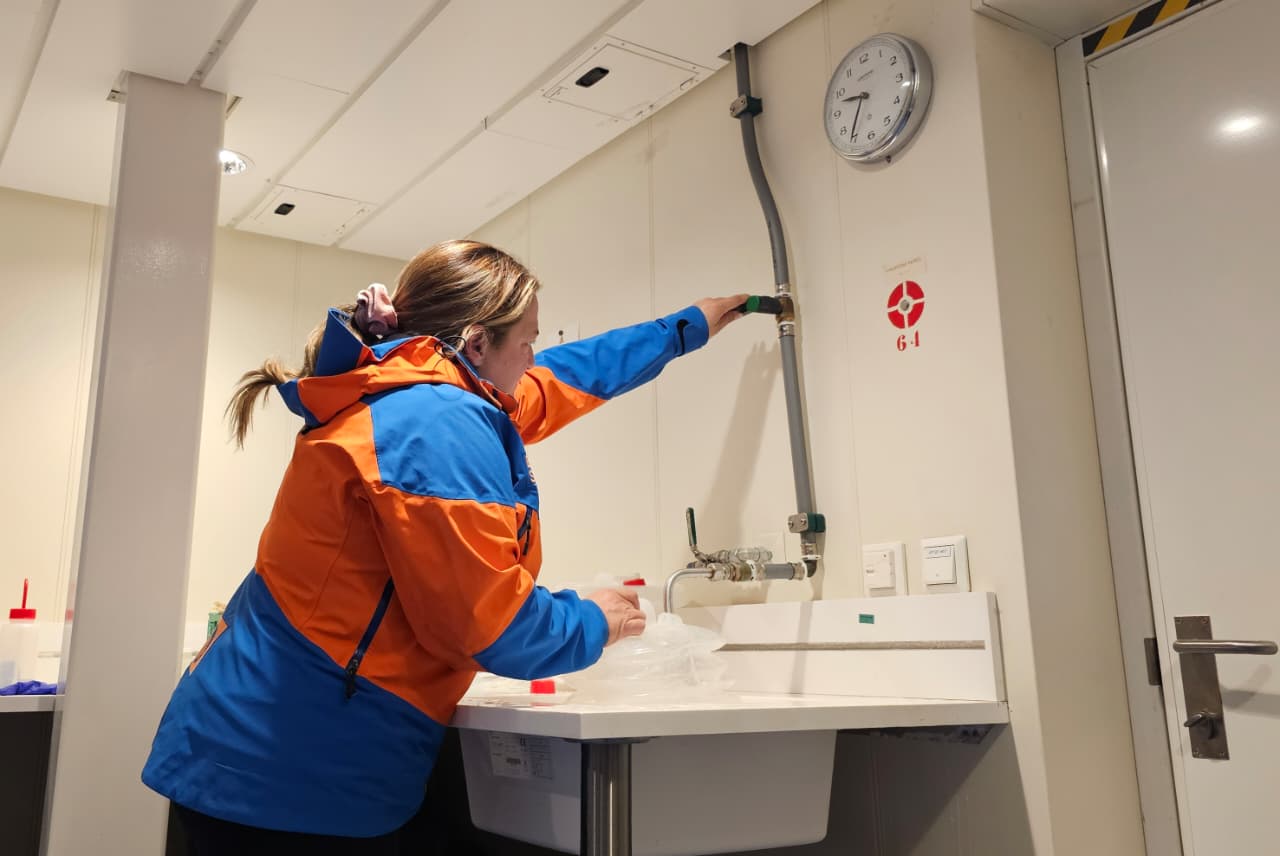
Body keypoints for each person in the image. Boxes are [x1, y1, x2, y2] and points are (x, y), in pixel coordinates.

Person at [141, 239, 746, 853]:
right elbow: (487, 624)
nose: (534, 357)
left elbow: (565, 375)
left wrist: (683, 329)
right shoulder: (435, 421)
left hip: (264, 741)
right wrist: (594, 619)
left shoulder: (406, 386)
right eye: (528, 341)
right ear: (478, 344)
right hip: (294, 771)